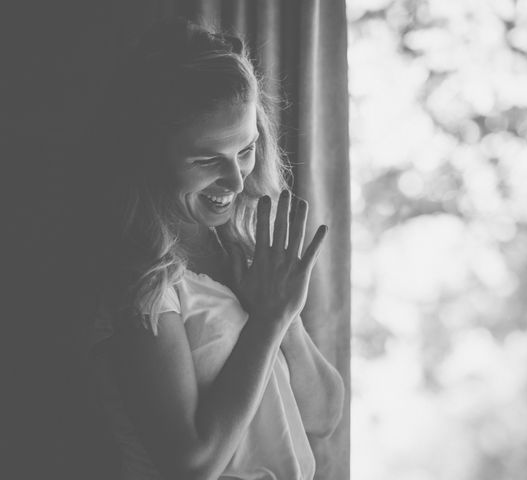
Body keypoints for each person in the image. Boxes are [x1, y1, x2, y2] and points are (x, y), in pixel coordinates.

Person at [88, 18, 345, 480]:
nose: (236, 179)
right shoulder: (142, 282)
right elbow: (192, 466)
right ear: (147, 157)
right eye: (207, 159)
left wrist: (284, 316)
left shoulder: (245, 250)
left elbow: (323, 418)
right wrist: (265, 322)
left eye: (246, 150)